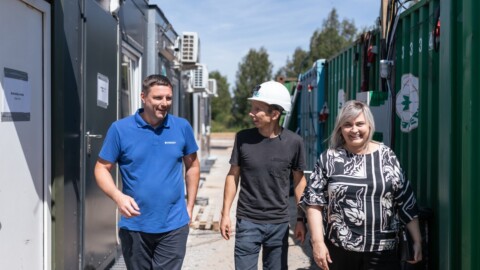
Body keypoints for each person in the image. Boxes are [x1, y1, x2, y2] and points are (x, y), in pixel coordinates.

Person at [300, 100, 422, 270]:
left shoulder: (387, 156)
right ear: (340, 129)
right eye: (348, 124)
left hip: (383, 251)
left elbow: (406, 200)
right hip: (339, 251)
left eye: (360, 124)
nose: (354, 130)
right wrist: (318, 242)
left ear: (369, 126)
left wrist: (417, 240)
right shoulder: (329, 158)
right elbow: (314, 203)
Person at [94, 74, 200, 270]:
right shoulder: (120, 129)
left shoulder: (181, 127)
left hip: (173, 224)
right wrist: (118, 197)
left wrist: (190, 205)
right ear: (143, 97)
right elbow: (101, 168)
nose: (164, 103)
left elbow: (192, 166)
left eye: (168, 98)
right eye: (158, 98)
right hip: (135, 225)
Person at [220, 80, 308, 270]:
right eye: (252, 107)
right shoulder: (243, 139)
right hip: (247, 222)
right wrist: (225, 214)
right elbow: (232, 175)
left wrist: (301, 219)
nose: (251, 113)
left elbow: (300, 181)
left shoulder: (294, 142)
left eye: (257, 109)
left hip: (279, 224)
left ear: (275, 114)